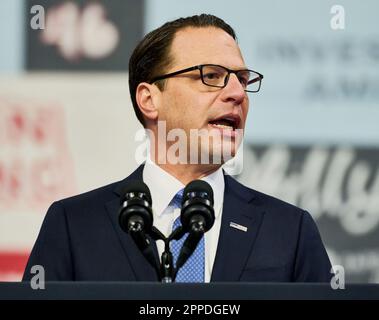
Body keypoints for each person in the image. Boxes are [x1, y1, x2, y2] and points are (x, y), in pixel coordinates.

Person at [23, 14, 332, 282]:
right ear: (149, 99)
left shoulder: (289, 231)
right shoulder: (74, 225)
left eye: (242, 79)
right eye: (212, 76)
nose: (237, 93)